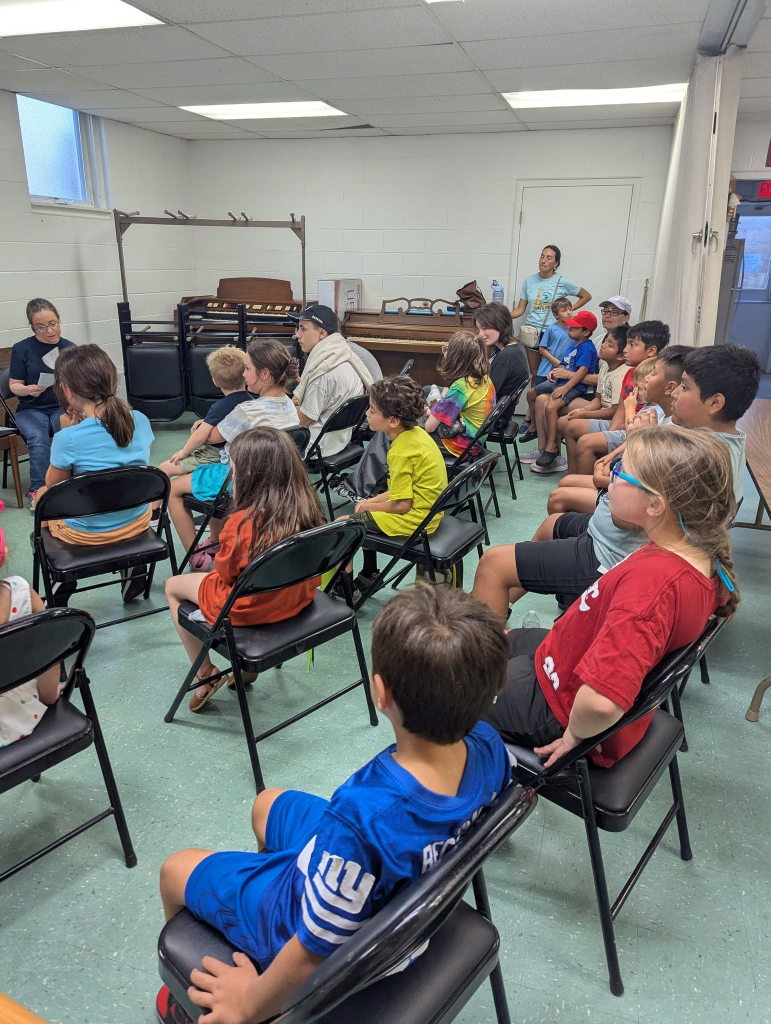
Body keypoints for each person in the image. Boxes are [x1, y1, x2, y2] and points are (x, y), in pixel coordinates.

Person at [156, 586, 511, 1024]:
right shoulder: (490, 748)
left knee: (174, 870)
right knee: (266, 804)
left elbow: (311, 954)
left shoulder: (363, 817)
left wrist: (248, 1004)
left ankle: (186, 998)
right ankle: (255, 905)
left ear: (381, 693)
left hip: (316, 929)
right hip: (384, 882)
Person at [484, 426, 737, 770]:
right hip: (563, 661)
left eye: (620, 472)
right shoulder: (699, 556)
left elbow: (601, 704)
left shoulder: (650, 588)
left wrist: (574, 735)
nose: (609, 480)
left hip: (555, 707)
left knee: (437, 689)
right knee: (488, 644)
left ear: (655, 505)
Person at [471, 344, 759, 618]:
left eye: (684, 387)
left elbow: (625, 518)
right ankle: (502, 604)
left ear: (714, 402)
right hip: (610, 534)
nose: (675, 393)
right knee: (552, 524)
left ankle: (484, 634)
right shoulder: (715, 440)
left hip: (614, 555)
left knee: (493, 564)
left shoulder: (693, 455)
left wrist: (637, 443)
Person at [164, 427, 326, 712]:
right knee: (253, 579)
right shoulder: (309, 508)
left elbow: (226, 575)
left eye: (234, 468)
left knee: (173, 586)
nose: (231, 474)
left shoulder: (241, 523)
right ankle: (245, 668)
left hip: (248, 609)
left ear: (249, 475)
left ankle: (204, 675)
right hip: (297, 597)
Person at [167, 339, 300, 568]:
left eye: (247, 369)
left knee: (173, 488)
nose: (243, 374)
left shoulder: (246, 411)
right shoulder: (289, 404)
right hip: (278, 481)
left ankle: (195, 556)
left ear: (265, 374)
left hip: (241, 481)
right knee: (205, 473)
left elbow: (211, 436)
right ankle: (216, 540)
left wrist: (202, 424)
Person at [42, 345, 155, 604]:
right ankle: (131, 563)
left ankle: (62, 581)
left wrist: (66, 432)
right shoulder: (140, 420)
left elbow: (54, 489)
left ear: (67, 390)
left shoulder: (68, 438)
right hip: (137, 521)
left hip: (86, 533)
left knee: (41, 497)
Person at [335, 375, 448, 597]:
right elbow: (401, 491)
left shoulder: (399, 453)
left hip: (415, 520)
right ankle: (369, 574)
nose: (367, 414)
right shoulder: (417, 434)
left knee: (341, 526)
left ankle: (343, 591)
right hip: (429, 512)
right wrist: (370, 502)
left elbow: (401, 505)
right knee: (363, 513)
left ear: (393, 421)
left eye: (372, 410)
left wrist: (369, 506)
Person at [550, 345, 692, 514]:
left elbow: (643, 477)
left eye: (653, 374)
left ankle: (585, 519)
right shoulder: (660, 416)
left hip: (630, 493)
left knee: (558, 496)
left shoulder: (666, 425)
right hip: (623, 478)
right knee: (566, 481)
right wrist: (611, 459)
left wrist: (606, 477)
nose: (647, 379)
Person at [571, 320, 670, 475]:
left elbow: (638, 424)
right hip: (623, 425)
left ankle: (587, 482)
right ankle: (574, 477)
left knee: (586, 442)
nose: (625, 350)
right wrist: (610, 432)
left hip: (634, 431)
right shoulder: (630, 372)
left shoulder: (656, 381)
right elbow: (620, 410)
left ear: (651, 350)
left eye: (632, 345)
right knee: (571, 426)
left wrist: (609, 434)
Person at [0, 506, 61, 748]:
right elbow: (49, 656)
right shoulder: (21, 591)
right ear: (4, 555)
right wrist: (49, 697)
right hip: (22, 717)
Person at [9, 298, 76, 511]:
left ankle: (71, 484)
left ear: (58, 320)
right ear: (33, 327)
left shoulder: (69, 348)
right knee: (38, 439)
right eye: (41, 327)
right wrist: (28, 389)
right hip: (30, 409)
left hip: (60, 406)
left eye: (52, 323)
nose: (49, 331)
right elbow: (13, 385)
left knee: (68, 433)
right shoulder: (22, 349)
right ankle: (38, 491)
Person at [520, 310, 599, 474]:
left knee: (551, 406)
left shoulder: (587, 348)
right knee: (531, 394)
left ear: (585, 332)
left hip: (574, 387)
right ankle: (533, 428)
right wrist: (553, 373)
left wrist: (566, 388)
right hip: (560, 382)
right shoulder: (573, 346)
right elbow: (564, 365)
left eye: (574, 328)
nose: (569, 329)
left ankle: (551, 448)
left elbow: (583, 371)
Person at [292, 304, 373, 456]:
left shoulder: (323, 373)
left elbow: (302, 421)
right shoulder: (345, 357)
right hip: (340, 440)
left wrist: (280, 406)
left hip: (317, 447)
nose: (297, 335)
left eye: (303, 329)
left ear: (322, 333)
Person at [158, 347, 251, 478]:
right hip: (239, 450)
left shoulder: (219, 407)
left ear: (215, 381)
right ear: (245, 377)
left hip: (216, 454)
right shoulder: (251, 401)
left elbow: (199, 436)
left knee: (163, 469)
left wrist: (183, 452)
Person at [508, 245, 592, 379]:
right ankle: (536, 393)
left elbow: (586, 296)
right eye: (542, 256)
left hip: (554, 333)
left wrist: (568, 311)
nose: (543, 261)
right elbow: (520, 309)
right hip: (532, 333)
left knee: (555, 371)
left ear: (556, 263)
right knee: (535, 373)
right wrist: (502, 316)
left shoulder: (561, 281)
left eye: (549, 258)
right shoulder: (529, 281)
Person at [557, 324, 629, 473]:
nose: (603, 345)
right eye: (605, 341)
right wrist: (582, 410)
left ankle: (578, 473)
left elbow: (614, 411)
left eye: (610, 345)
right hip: (603, 412)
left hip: (613, 418)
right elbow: (598, 399)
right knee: (563, 422)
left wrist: (584, 414)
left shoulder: (621, 375)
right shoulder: (605, 367)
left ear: (621, 355)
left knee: (571, 426)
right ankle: (573, 471)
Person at [424, 330, 495, 457]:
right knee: (427, 390)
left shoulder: (461, 387)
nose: (445, 353)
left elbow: (429, 427)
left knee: (399, 427)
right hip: (475, 440)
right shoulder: (483, 377)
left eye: (447, 350)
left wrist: (425, 413)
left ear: (456, 358)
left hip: (460, 446)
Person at [473, 302, 529, 414]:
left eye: (485, 328)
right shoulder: (515, 347)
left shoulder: (506, 357)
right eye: (479, 329)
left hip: (488, 415)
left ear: (501, 325)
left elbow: (484, 395)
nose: (480, 334)